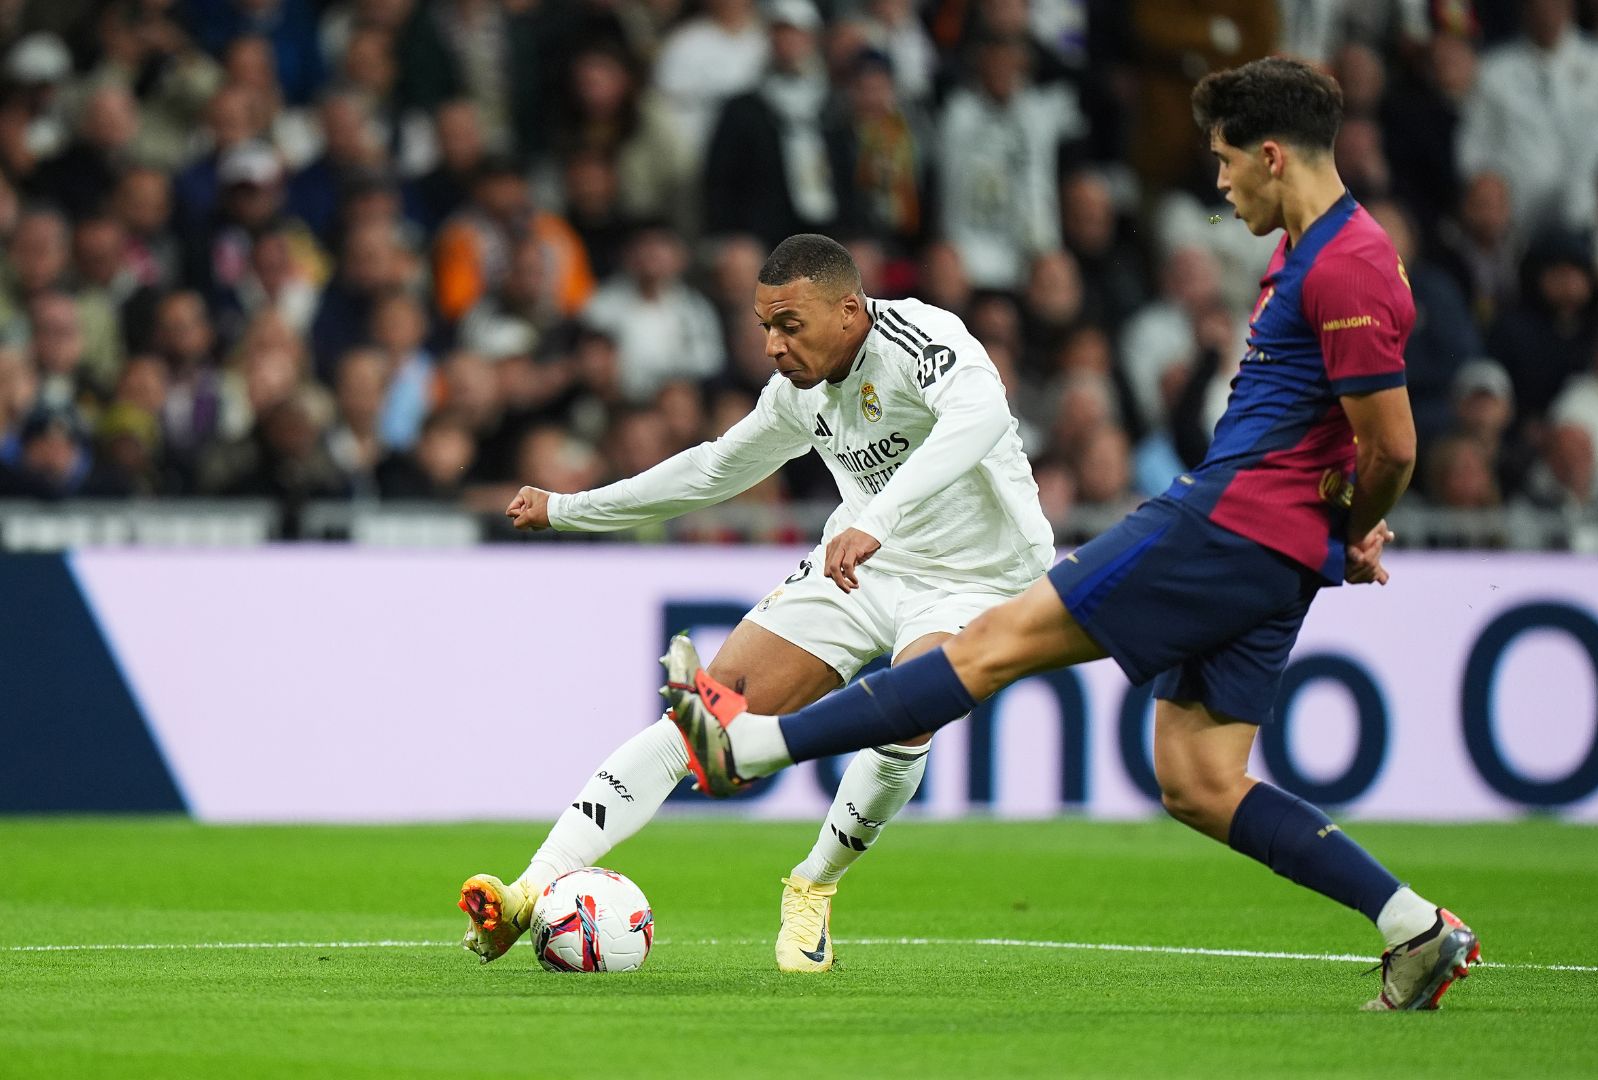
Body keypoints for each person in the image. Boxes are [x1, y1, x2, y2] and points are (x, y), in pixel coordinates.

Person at [660, 58, 1480, 1012]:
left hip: (1221, 525)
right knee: (1200, 781)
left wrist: (1352, 524)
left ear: (1269, 154)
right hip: (1268, 546)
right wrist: (1330, 529)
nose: (1217, 184)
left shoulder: (1347, 265)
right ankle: (1414, 928)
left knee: (985, 646)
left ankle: (749, 750)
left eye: (1223, 163)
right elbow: (1334, 435)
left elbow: (1392, 443)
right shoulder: (1310, 253)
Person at [459, 233, 1054, 974]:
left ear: (847, 310)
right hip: (865, 566)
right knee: (703, 717)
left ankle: (814, 883)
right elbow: (711, 471)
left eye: (789, 325)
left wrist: (876, 518)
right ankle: (528, 892)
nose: (772, 346)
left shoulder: (919, 337)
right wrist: (571, 509)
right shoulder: (796, 395)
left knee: (912, 705)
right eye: (764, 327)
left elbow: (982, 416)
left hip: (981, 576)